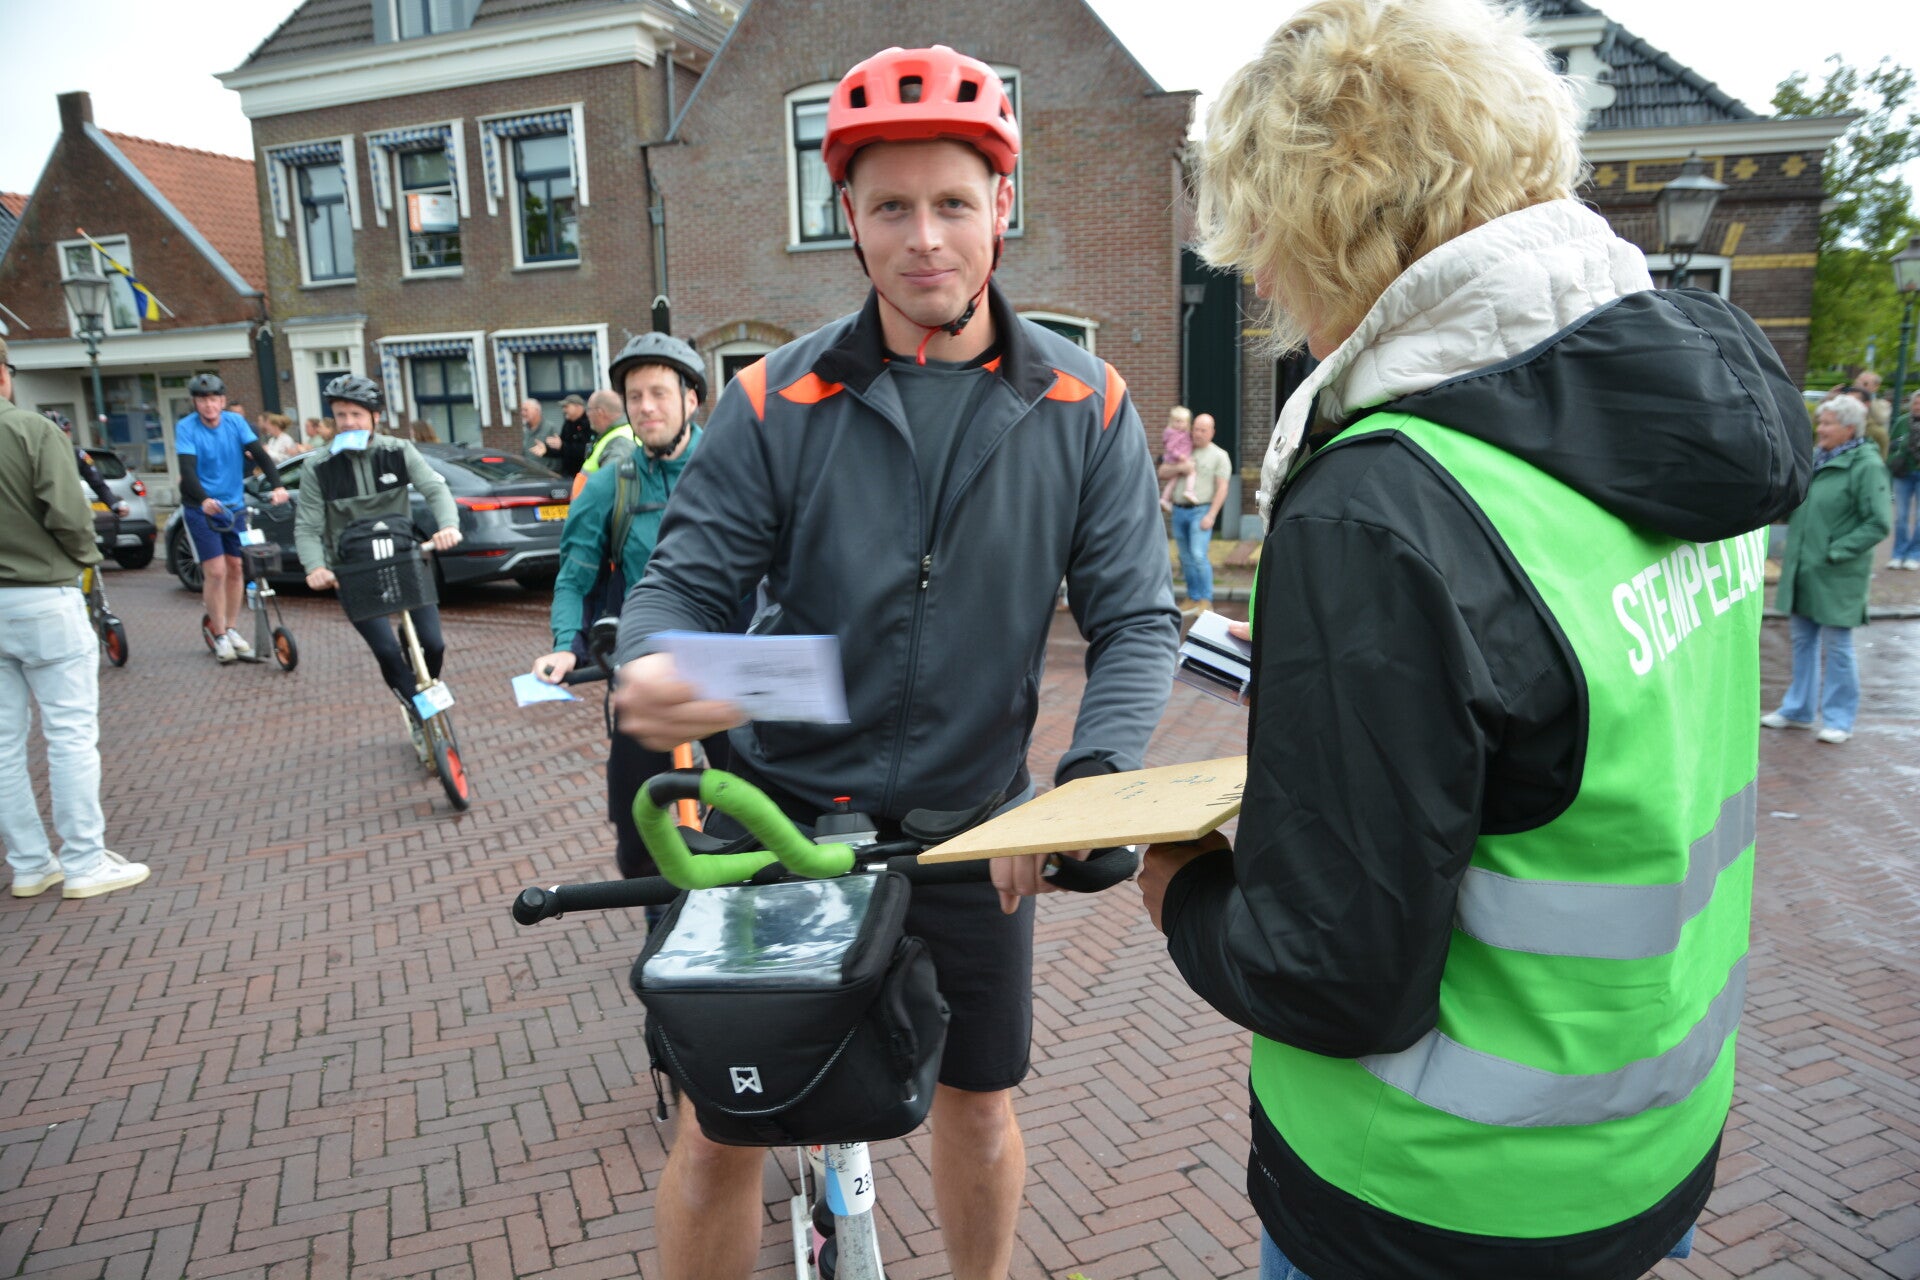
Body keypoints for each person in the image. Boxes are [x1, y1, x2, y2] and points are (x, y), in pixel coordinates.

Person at [1137, 3, 1811, 1279]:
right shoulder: (1697, 420)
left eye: (1265, 237)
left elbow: (1331, 973)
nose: (1260, 281)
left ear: (1333, 223)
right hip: (1652, 1138)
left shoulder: (1387, 500)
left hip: (1433, 1189)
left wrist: (1179, 889)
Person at [609, 44, 1178, 1280]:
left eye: (954, 203)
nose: (926, 239)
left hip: (974, 825)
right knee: (721, 1128)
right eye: (891, 207)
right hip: (781, 814)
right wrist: (669, 675)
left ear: (1002, 206)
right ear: (850, 220)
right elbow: (682, 589)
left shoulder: (1087, 404)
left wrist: (1090, 784)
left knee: (980, 1101)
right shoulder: (774, 400)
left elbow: (1137, 619)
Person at [531, 333, 714, 878]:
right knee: (638, 824)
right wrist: (566, 645)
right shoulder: (611, 485)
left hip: (726, 660)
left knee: (757, 809)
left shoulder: (731, 468)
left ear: (690, 399)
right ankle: (657, 911)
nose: (646, 407)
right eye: (635, 396)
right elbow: (575, 577)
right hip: (644, 664)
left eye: (659, 393)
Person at [0, 346, 148, 899]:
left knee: (3, 747)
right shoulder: (32, 431)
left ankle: (29, 864)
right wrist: (86, 556)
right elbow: (67, 515)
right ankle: (84, 861)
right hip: (43, 594)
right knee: (69, 736)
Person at [294, 376, 463, 758]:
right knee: (387, 651)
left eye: (356, 414)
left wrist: (448, 526)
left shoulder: (398, 451)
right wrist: (315, 567)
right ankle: (419, 714)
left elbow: (435, 488)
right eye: (341, 415)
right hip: (354, 571)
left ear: (374, 417)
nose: (349, 422)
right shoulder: (318, 466)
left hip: (402, 559)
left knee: (433, 643)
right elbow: (307, 527)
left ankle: (423, 688)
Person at [1763, 394, 1891, 744]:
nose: (1820, 429)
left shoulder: (1866, 465)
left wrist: (1836, 551)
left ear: (1849, 428)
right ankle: (1798, 710)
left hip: (1836, 573)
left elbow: (1878, 522)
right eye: (1820, 422)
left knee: (1838, 647)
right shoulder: (1819, 458)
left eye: (1828, 423)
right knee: (1802, 641)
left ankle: (1839, 719)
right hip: (1805, 568)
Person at [174, 374, 288, 663]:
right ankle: (220, 634)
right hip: (201, 508)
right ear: (195, 403)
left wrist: (278, 486)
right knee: (216, 571)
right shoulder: (186, 427)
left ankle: (233, 628)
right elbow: (187, 470)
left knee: (237, 567)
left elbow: (260, 455)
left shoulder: (235, 423)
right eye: (202, 400)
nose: (209, 405)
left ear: (222, 401)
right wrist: (204, 500)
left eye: (214, 399)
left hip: (233, 506)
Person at [1163, 411, 1231, 607]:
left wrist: (1212, 515)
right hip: (1178, 510)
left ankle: (1205, 600)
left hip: (1201, 511)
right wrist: (1180, 468)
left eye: (1203, 430)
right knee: (1185, 557)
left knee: (1198, 555)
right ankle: (1192, 597)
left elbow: (1222, 488)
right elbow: (1162, 472)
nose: (1198, 433)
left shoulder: (1219, 455)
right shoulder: (1183, 448)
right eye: (1196, 429)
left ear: (1212, 432)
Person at [570, 388, 633, 499]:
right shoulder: (611, 436)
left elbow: (612, 489)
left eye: (589, 410)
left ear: (600, 412)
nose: (587, 415)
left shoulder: (620, 442)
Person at [1888, 389, 1920, 569]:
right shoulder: (1902, 422)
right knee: (1901, 516)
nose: (1917, 406)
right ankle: (1898, 553)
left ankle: (1914, 554)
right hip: (1903, 472)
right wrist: (1894, 459)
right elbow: (1891, 445)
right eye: (1915, 402)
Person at [1158, 404, 1194, 511]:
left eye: (1182, 421)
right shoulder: (1175, 434)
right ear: (1172, 422)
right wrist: (1180, 456)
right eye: (1177, 421)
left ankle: (1164, 498)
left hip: (1178, 459)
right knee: (1192, 472)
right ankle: (1189, 491)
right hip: (1177, 459)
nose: (1179, 424)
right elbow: (1170, 448)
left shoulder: (1183, 433)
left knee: (1173, 480)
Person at [1852, 369, 1892, 459]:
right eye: (1857, 383)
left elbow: (1880, 418)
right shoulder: (1847, 400)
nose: (1859, 387)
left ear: (1876, 387)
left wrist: (1867, 396)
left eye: (1865, 384)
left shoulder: (1882, 404)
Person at [552, 394, 594, 478]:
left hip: (583, 475)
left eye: (566, 407)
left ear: (578, 406)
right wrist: (546, 450)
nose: (564, 410)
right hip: (567, 474)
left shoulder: (590, 423)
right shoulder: (567, 424)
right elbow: (561, 448)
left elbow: (587, 450)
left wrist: (563, 446)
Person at [520, 398, 559, 463]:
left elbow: (558, 454)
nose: (523, 413)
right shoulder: (525, 430)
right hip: (528, 469)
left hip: (544, 469)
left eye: (526, 410)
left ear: (537, 411)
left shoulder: (550, 428)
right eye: (522, 410)